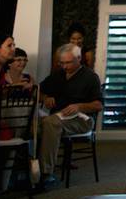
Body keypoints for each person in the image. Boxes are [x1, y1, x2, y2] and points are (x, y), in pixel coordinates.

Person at [37, 43, 103, 189]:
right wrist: (45, 98)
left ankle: (46, 174)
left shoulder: (90, 77)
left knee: (50, 123)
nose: (65, 66)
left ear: (79, 58)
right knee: (36, 124)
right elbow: (38, 91)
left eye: (68, 62)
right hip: (57, 117)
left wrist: (79, 106)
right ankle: (30, 171)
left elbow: (98, 105)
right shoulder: (57, 75)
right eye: (62, 63)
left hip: (81, 119)